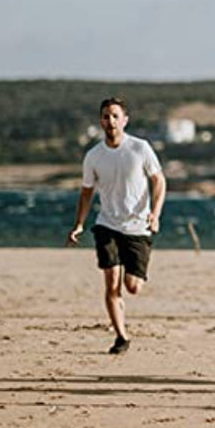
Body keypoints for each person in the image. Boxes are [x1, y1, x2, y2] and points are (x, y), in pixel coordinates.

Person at [67, 97, 167, 355]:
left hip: (138, 227)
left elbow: (159, 181)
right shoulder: (93, 156)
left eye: (114, 116)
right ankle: (121, 337)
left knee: (132, 287)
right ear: (100, 121)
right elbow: (86, 193)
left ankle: (133, 281)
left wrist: (155, 214)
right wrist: (79, 224)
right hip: (107, 224)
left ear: (125, 120)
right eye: (105, 116)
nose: (110, 121)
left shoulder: (140, 148)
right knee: (111, 283)